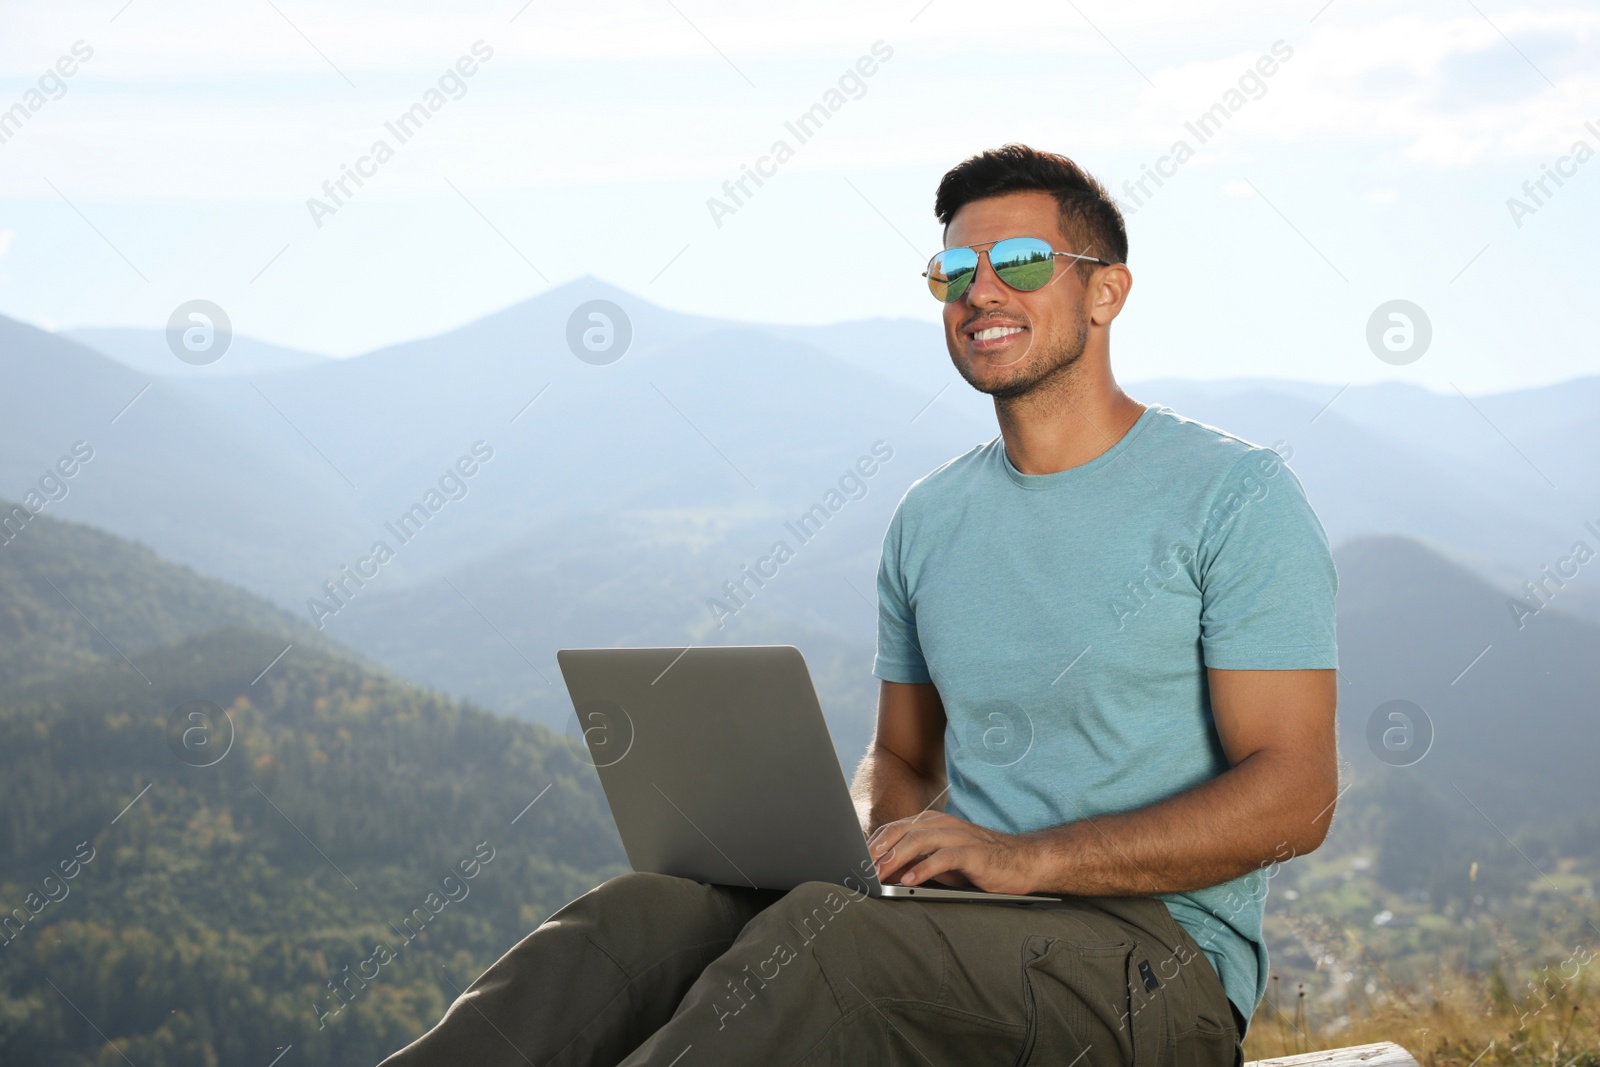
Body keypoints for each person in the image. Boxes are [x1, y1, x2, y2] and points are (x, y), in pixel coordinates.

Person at [376, 143, 1340, 1067]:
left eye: (1020, 261)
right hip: (959, 920)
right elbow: (905, 756)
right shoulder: (932, 517)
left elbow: (1296, 796)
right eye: (955, 269)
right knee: (638, 916)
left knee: (829, 946)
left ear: (1106, 291)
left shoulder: (1233, 496)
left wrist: (1027, 858)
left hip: (1154, 972)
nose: (981, 290)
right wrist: (855, 839)